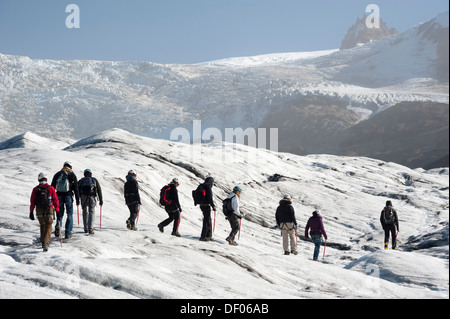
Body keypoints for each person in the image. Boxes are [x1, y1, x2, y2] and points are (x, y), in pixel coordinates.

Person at [29, 172, 60, 252]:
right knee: (48, 225)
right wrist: (57, 211)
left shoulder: (35, 189)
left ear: (39, 179)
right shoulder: (51, 188)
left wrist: (31, 211)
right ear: (46, 179)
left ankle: (43, 241)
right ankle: (46, 242)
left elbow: (32, 201)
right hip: (49, 208)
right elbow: (56, 200)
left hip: (39, 209)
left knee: (42, 225)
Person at [51, 161, 80, 239]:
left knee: (59, 214)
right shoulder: (72, 175)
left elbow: (52, 187)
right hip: (68, 196)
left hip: (59, 196)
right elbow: (76, 188)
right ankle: (68, 232)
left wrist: (52, 199)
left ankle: (58, 226)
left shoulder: (58, 174)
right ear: (70, 167)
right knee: (69, 214)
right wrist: (77, 200)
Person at [78, 169, 103, 235]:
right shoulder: (94, 180)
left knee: (84, 212)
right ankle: (90, 228)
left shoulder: (81, 180)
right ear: (91, 174)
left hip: (83, 197)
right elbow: (99, 190)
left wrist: (78, 199)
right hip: (91, 197)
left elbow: (77, 189)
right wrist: (101, 200)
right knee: (91, 211)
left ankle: (85, 228)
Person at [199, 177, 216, 241]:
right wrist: (213, 206)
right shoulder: (208, 186)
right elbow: (209, 197)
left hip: (201, 205)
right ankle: (204, 236)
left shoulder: (201, 185)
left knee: (207, 219)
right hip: (206, 205)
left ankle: (208, 235)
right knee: (206, 220)